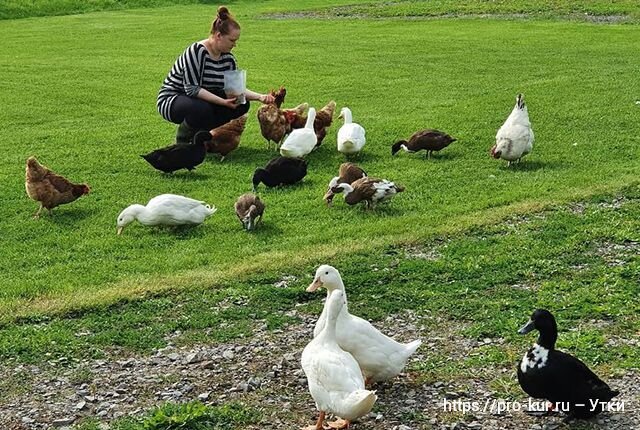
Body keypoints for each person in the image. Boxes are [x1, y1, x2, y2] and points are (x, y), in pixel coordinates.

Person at [157, 6, 275, 144]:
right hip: (173, 98)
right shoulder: (197, 51)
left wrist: (260, 97)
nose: (235, 45)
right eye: (232, 40)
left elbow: (236, 90)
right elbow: (192, 89)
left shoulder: (228, 59)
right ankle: (183, 141)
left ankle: (202, 138)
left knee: (241, 104)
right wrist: (223, 102)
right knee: (202, 109)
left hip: (202, 99)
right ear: (219, 36)